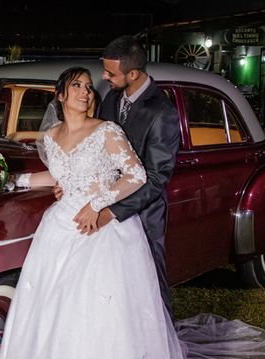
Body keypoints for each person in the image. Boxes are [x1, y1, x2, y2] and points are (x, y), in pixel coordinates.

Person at [0, 66, 265, 359]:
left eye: (89, 87)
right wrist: (9, 182)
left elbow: (136, 175)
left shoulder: (107, 131)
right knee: (58, 311)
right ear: (59, 95)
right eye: (75, 86)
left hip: (103, 228)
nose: (85, 92)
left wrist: (99, 203)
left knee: (106, 314)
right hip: (59, 229)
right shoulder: (51, 137)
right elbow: (57, 175)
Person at [57, 36, 179, 319]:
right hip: (101, 206)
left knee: (150, 289)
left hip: (141, 216)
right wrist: (73, 182)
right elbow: (95, 147)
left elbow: (156, 177)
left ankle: (161, 352)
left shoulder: (162, 112)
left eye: (110, 73)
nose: (104, 77)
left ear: (133, 74)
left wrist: (110, 211)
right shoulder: (112, 98)